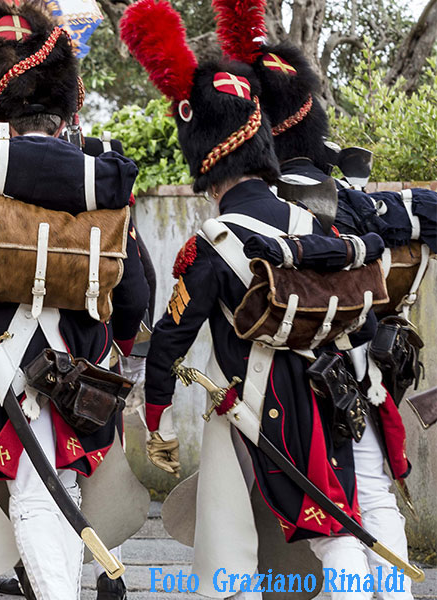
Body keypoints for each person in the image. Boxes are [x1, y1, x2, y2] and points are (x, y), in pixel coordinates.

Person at [122, 2, 381, 597]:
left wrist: (157, 418)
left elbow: (171, 339)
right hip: (326, 395)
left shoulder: (210, 244)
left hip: (250, 407)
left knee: (226, 542)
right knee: (333, 526)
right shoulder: (314, 223)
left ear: (205, 155)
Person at [0, 2, 148, 597]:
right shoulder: (101, 177)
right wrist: (119, 347)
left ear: (1, 106)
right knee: (60, 486)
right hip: (83, 357)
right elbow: (136, 286)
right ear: (66, 106)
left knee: (32, 489)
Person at [213, 5, 418, 598]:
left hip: (298, 381)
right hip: (361, 369)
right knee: (373, 501)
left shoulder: (268, 202)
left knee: (333, 518)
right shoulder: (345, 196)